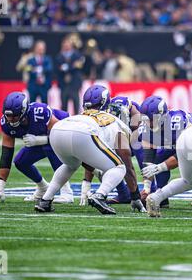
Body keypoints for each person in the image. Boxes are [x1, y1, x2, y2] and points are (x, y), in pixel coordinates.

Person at [34, 85, 146, 215]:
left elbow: (87, 156)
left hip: (58, 129)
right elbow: (128, 165)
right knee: (120, 168)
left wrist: (87, 181)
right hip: (82, 134)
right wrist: (135, 196)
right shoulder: (117, 123)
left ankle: (45, 200)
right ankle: (100, 195)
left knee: (70, 164)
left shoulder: (85, 114)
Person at [0, 92, 74, 204]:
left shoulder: (39, 112)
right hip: (42, 140)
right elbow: (6, 155)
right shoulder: (6, 124)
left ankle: (67, 192)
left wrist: (40, 140)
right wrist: (0, 187)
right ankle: (43, 187)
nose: (11, 119)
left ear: (24, 111)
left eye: (15, 115)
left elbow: (62, 134)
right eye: (8, 115)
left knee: (49, 147)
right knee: (20, 161)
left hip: (63, 133)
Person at [138, 95, 192, 209]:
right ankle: (161, 195)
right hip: (181, 142)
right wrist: (146, 189)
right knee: (158, 157)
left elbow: (185, 153)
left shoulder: (178, 122)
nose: (149, 124)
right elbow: (149, 161)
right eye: (146, 120)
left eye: (151, 120)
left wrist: (159, 168)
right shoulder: (145, 128)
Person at [55, 37, 85, 115]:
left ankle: (77, 121)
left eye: (68, 44)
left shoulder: (77, 55)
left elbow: (79, 66)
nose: (66, 46)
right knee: (64, 105)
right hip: (64, 84)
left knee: (76, 104)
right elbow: (57, 68)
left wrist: (66, 67)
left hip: (74, 84)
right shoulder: (59, 56)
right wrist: (72, 66)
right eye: (65, 44)